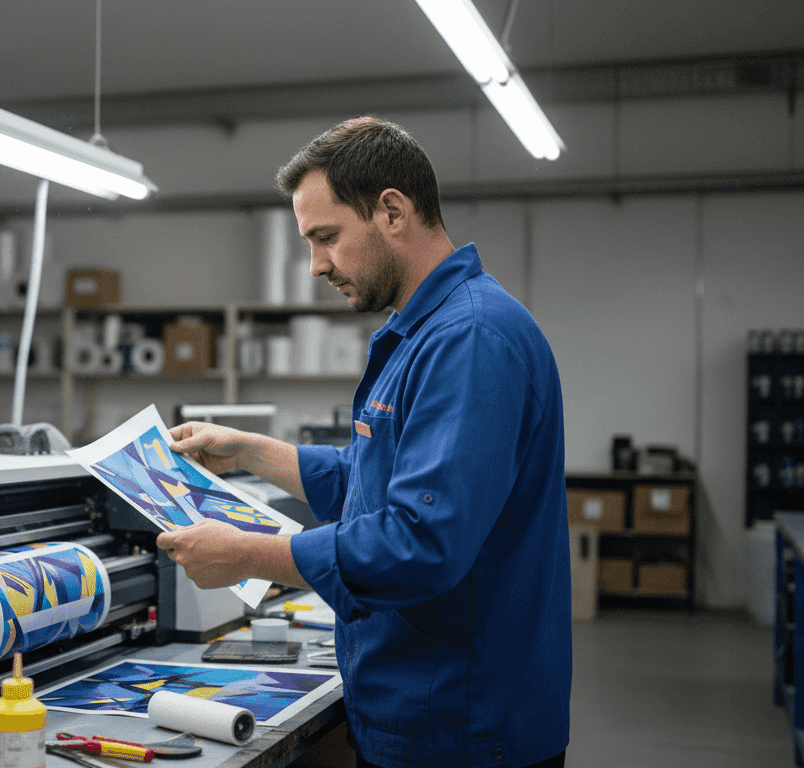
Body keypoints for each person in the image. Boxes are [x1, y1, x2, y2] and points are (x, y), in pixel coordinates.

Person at [155, 117, 570, 768]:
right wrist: (249, 450)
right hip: (418, 704)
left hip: (461, 725)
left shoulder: (470, 340)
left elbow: (420, 542)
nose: (316, 265)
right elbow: (369, 481)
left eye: (326, 238)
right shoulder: (426, 329)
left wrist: (248, 556)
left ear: (392, 212)